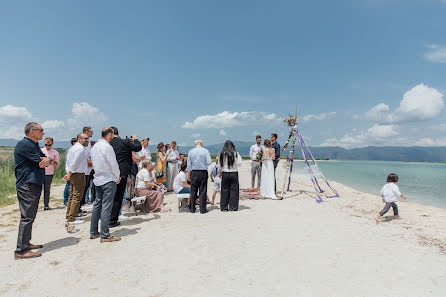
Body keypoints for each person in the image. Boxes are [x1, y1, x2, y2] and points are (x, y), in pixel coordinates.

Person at [13, 122, 51, 259]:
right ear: (31, 131)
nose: (43, 133)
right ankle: (21, 251)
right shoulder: (25, 144)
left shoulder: (33, 144)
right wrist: (45, 161)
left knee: (31, 215)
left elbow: (47, 160)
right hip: (27, 184)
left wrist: (46, 161)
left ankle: (26, 243)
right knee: (27, 217)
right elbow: (41, 162)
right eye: (41, 130)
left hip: (33, 182)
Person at [90, 127, 122, 242]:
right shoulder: (107, 147)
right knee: (107, 206)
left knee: (97, 204)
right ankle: (105, 234)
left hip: (98, 178)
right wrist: (117, 175)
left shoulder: (94, 147)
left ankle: (93, 231)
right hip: (108, 178)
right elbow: (113, 163)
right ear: (109, 134)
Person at [109, 127, 142, 228]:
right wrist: (135, 139)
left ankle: (105, 218)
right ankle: (113, 220)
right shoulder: (123, 142)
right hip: (121, 172)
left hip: (107, 173)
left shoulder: (106, 144)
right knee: (118, 197)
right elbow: (138, 147)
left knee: (106, 198)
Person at [64, 133, 89, 231]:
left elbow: (69, 162)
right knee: (77, 195)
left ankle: (69, 215)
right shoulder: (80, 149)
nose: (87, 140)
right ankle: (71, 217)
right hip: (77, 173)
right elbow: (75, 162)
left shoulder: (73, 148)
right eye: (85, 139)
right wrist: (70, 173)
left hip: (73, 172)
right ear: (79, 139)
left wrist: (68, 172)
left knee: (72, 195)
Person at [187, 140, 212, 213]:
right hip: (203, 171)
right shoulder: (205, 151)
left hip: (194, 172)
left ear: (195, 144)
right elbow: (209, 162)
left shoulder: (191, 151)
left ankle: (192, 209)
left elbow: (188, 165)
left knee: (193, 191)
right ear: (201, 144)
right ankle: (202, 209)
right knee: (203, 191)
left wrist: (188, 174)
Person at [219, 141, 242, 211]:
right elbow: (239, 163)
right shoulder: (235, 153)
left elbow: (219, 165)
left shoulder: (222, 154)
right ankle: (233, 207)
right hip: (234, 172)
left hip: (225, 172)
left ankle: (224, 207)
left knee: (224, 190)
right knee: (234, 190)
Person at [40, 137, 60, 210]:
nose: (47, 146)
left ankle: (46, 205)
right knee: (37, 189)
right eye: (46, 145)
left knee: (47, 189)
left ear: (52, 144)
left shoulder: (55, 152)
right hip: (40, 172)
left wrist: (50, 161)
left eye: (49, 145)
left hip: (49, 173)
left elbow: (57, 164)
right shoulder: (41, 150)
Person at [81, 126, 94, 209]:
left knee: (86, 186)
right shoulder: (84, 144)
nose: (92, 133)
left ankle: (83, 203)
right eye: (90, 132)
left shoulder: (88, 142)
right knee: (82, 188)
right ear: (86, 132)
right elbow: (84, 155)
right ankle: (81, 204)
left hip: (88, 170)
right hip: (84, 169)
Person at [63, 138, 77, 206]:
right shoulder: (70, 150)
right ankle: (66, 199)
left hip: (72, 170)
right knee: (68, 185)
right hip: (70, 170)